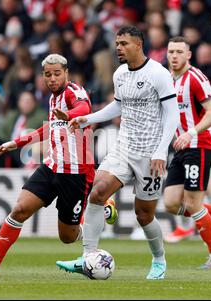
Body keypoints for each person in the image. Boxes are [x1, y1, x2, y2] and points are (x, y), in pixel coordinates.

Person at [0, 54, 116, 277]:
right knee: (19, 209)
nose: (53, 78)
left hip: (75, 173)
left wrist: (68, 115)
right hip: (51, 166)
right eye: (48, 74)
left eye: (57, 73)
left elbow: (84, 109)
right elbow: (49, 129)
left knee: (67, 237)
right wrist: (16, 142)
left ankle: (103, 208)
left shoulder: (74, 92)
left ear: (66, 73)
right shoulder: (52, 99)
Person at [56, 26, 180, 280]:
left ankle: (159, 260)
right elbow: (119, 106)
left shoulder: (159, 73)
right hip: (123, 147)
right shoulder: (120, 74)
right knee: (97, 192)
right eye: (117, 43)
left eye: (123, 43)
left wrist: (160, 151)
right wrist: (86, 119)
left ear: (138, 45)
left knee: (144, 214)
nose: (118, 48)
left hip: (150, 153)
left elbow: (172, 115)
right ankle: (87, 257)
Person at [163, 36, 211, 269]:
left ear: (188, 55)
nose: (174, 56)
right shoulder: (168, 80)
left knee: (193, 204)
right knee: (170, 203)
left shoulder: (196, 78)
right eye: (170, 52)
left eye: (179, 51)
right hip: (181, 148)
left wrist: (191, 132)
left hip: (199, 146)